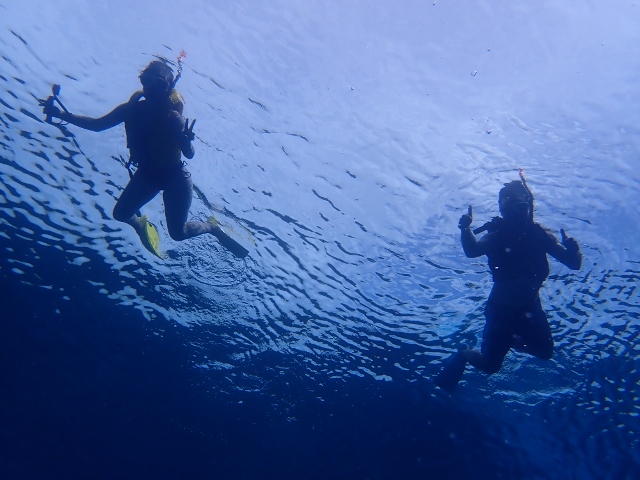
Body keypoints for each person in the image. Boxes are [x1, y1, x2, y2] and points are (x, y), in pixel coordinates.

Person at [42, 60, 247, 258]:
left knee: (178, 233)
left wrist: (185, 140)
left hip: (176, 177)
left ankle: (211, 227)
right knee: (120, 214)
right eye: (147, 81)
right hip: (147, 175)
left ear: (168, 88)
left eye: (160, 84)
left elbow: (189, 154)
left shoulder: (173, 116)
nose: (151, 89)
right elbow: (97, 125)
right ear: (141, 81)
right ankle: (141, 224)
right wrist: (61, 114)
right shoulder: (131, 110)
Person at [434, 175, 582, 391]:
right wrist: (465, 229)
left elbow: (573, 264)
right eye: (509, 202)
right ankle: (465, 353)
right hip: (501, 312)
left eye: (520, 202)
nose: (516, 208)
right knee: (490, 366)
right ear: (502, 208)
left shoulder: (540, 235)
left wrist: (573, 250)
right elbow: (472, 251)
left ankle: (511, 340)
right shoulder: (498, 235)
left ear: (528, 204)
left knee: (545, 353)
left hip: (531, 309)